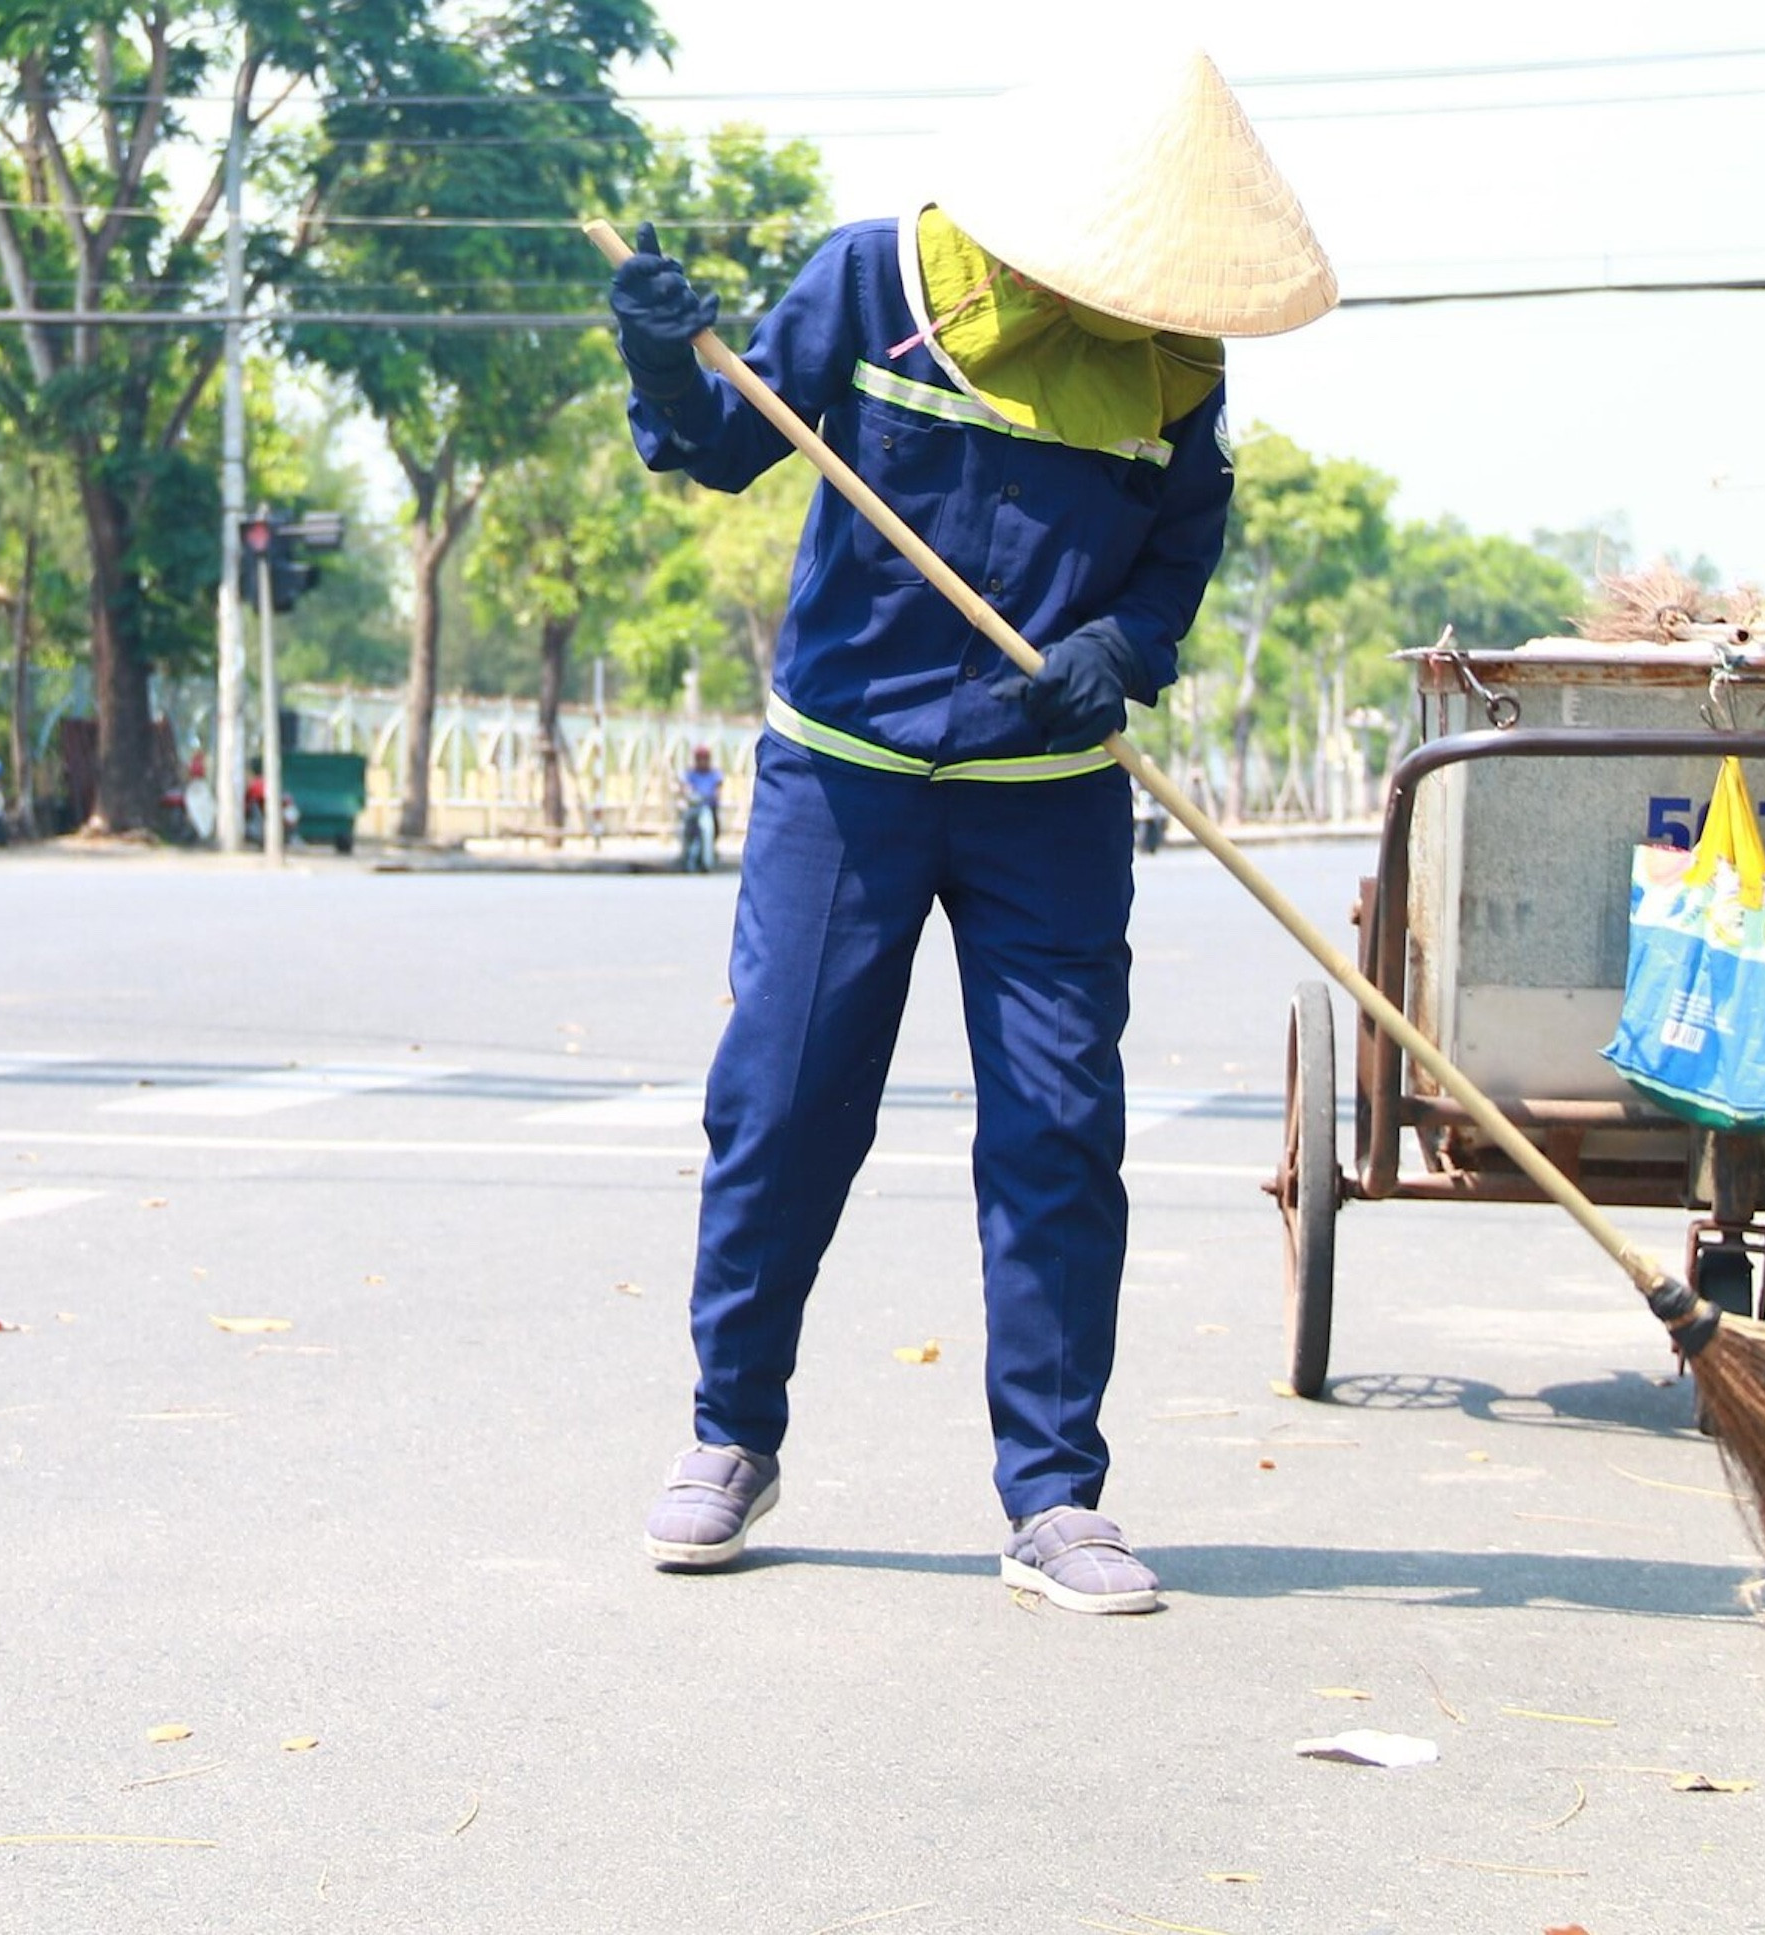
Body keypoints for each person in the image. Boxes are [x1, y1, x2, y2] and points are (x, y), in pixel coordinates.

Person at [608, 50, 1337, 1613]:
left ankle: (1055, 1495)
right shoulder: (876, 278)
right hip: (842, 782)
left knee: (1059, 1134)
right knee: (784, 1103)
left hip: (1046, 804)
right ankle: (730, 1433)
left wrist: (1121, 651)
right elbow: (722, 447)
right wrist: (671, 367)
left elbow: (1175, 553)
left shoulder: (1175, 366)